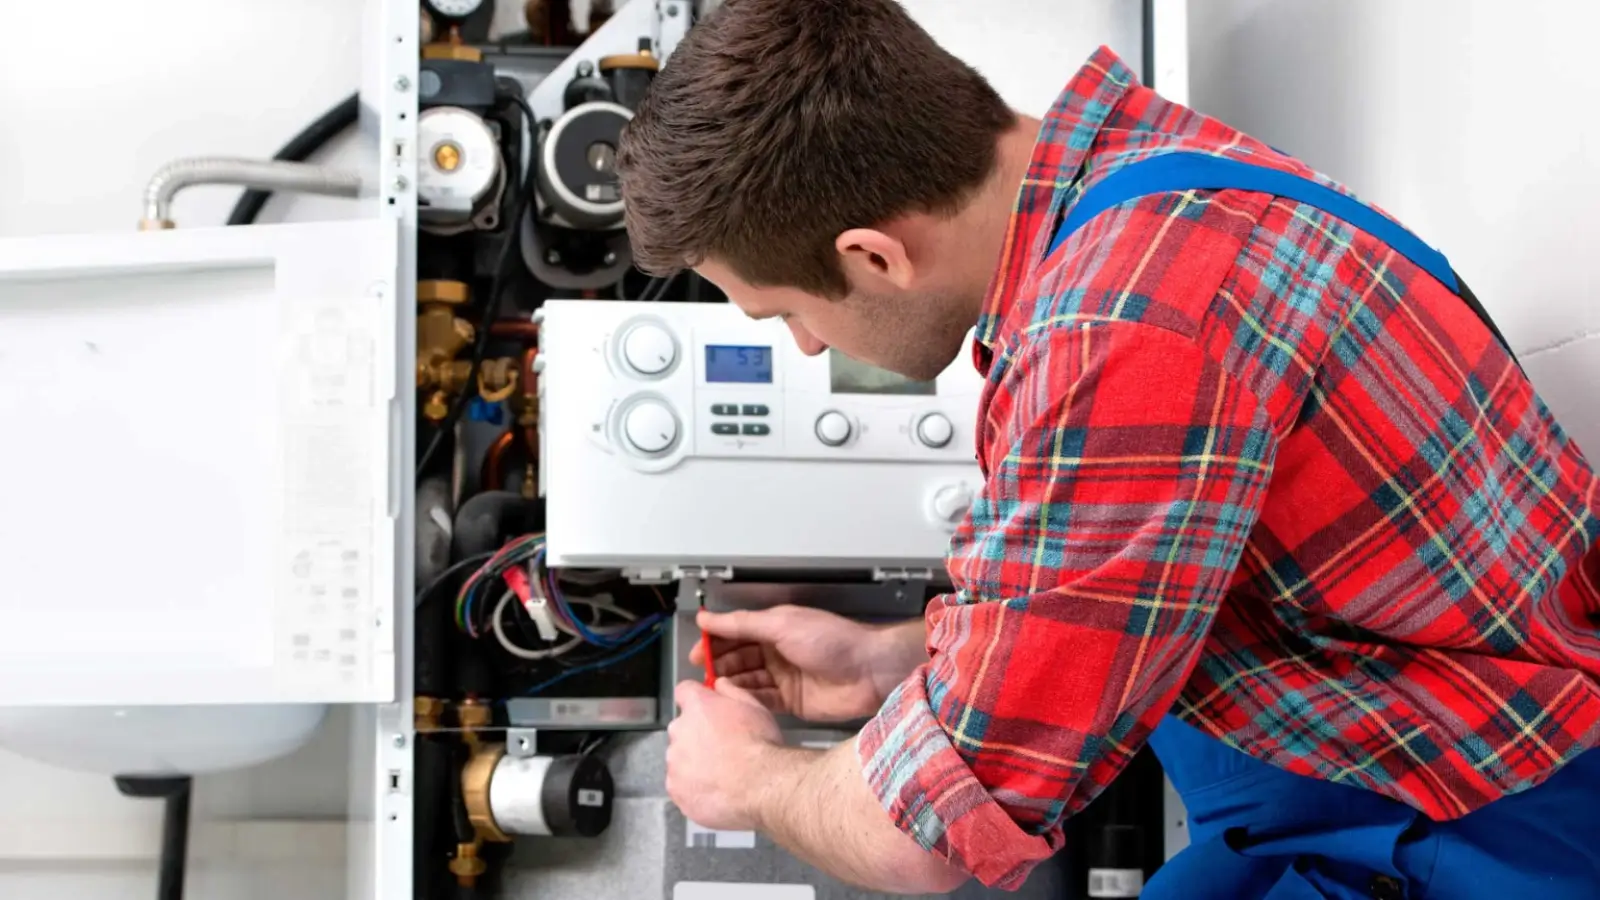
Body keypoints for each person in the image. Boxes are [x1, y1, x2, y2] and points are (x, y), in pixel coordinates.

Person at [615, 0, 1600, 896]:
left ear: (874, 255)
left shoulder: (1121, 335)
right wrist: (890, 663)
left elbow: (916, 844)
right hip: (1393, 752)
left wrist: (747, 778)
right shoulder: (1137, 176)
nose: (807, 346)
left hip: (1486, 829)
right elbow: (1142, 584)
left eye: (784, 311)